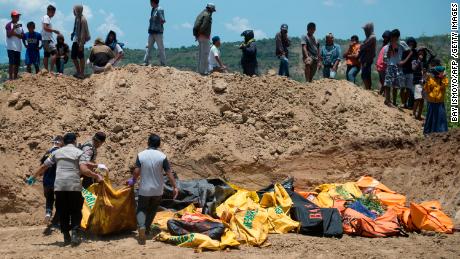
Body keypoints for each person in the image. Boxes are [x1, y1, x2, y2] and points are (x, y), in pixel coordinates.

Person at [27, 133, 103, 246]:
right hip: (74, 186)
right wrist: (96, 176)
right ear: (74, 141)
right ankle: (75, 234)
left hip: (60, 186)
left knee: (63, 210)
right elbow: (83, 170)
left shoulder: (56, 152)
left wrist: (33, 177)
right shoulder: (79, 152)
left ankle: (66, 235)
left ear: (64, 142)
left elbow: (44, 166)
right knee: (76, 210)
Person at [127, 134, 178, 245]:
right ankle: (148, 229)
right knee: (153, 209)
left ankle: (141, 227)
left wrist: (133, 181)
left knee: (141, 208)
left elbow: (136, 171)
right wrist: (175, 187)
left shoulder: (141, 155)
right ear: (159, 144)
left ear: (148, 142)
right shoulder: (162, 156)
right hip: (158, 189)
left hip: (145, 189)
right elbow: (169, 173)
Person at [40, 136, 64, 235]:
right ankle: (55, 222)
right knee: (60, 202)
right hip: (57, 181)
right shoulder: (60, 153)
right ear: (60, 143)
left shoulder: (47, 152)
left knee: (49, 198)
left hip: (46, 181)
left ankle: (48, 213)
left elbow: (42, 164)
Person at [423, 59, 448, 135]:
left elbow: (445, 85)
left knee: (440, 119)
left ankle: (441, 132)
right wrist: (427, 80)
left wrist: (442, 77)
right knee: (431, 118)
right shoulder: (430, 79)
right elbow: (426, 89)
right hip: (432, 102)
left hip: (440, 103)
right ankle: (429, 132)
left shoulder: (444, 79)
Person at [383, 29, 405, 107]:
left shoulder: (401, 44)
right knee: (388, 84)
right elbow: (385, 59)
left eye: (396, 37)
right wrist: (389, 50)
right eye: (393, 37)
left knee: (396, 85)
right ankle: (387, 100)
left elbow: (410, 51)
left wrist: (404, 61)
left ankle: (394, 101)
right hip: (390, 65)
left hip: (398, 66)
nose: (394, 39)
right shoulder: (387, 47)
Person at [412, 47, 435, 120]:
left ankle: (419, 115)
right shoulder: (415, 61)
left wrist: (427, 49)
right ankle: (413, 114)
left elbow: (433, 55)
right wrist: (419, 60)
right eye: (420, 52)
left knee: (422, 100)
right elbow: (413, 68)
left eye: (422, 52)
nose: (421, 53)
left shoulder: (426, 62)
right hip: (418, 82)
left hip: (425, 83)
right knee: (418, 98)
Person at [193, 3, 216, 75]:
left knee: (201, 54)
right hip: (204, 36)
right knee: (205, 55)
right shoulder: (207, 15)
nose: (213, 12)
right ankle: (203, 72)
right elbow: (204, 26)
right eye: (212, 10)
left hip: (200, 36)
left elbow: (196, 26)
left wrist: (197, 35)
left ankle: (200, 70)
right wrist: (200, 33)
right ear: (210, 9)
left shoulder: (201, 14)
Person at [71, 5, 91, 79]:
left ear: (77, 10)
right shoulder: (77, 18)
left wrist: (81, 44)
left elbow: (83, 33)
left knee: (81, 57)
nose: (73, 11)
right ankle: (78, 71)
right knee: (73, 56)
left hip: (79, 42)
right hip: (75, 40)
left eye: (74, 10)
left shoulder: (83, 19)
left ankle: (81, 73)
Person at [144, 0, 166, 66]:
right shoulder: (153, 9)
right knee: (148, 47)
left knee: (160, 48)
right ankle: (145, 61)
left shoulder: (159, 9)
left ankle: (163, 63)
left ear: (153, 2)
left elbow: (163, 20)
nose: (150, 4)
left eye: (151, 2)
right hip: (152, 31)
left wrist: (158, 22)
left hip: (158, 32)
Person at [5, 10, 24, 80]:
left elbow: (22, 36)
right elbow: (9, 35)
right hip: (11, 47)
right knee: (11, 63)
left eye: (18, 16)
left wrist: (15, 34)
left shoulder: (20, 26)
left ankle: (15, 77)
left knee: (17, 63)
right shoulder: (8, 25)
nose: (17, 17)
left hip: (18, 47)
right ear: (12, 17)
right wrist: (13, 29)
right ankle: (10, 78)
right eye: (16, 16)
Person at [41, 5, 59, 73]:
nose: (54, 14)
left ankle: (46, 70)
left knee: (46, 54)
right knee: (54, 52)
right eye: (53, 12)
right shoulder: (46, 18)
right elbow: (45, 27)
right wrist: (54, 31)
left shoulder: (46, 18)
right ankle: (51, 70)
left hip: (45, 38)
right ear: (50, 11)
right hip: (47, 39)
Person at [400, 37, 417, 109]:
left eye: (412, 43)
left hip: (410, 72)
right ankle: (403, 102)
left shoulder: (415, 52)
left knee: (408, 89)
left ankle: (405, 104)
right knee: (402, 88)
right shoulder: (404, 50)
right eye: (410, 43)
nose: (411, 44)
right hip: (403, 71)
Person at [359, 22, 377, 90]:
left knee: (365, 74)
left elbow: (363, 46)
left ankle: (368, 89)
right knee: (365, 74)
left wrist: (361, 46)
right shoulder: (369, 37)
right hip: (365, 59)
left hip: (367, 59)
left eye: (366, 29)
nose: (365, 31)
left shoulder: (372, 37)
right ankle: (367, 88)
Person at [376, 31, 391, 95]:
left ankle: (382, 93)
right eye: (384, 37)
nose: (384, 39)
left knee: (385, 82)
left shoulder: (390, 46)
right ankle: (383, 94)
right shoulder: (384, 45)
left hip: (384, 66)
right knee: (382, 81)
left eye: (386, 37)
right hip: (380, 66)